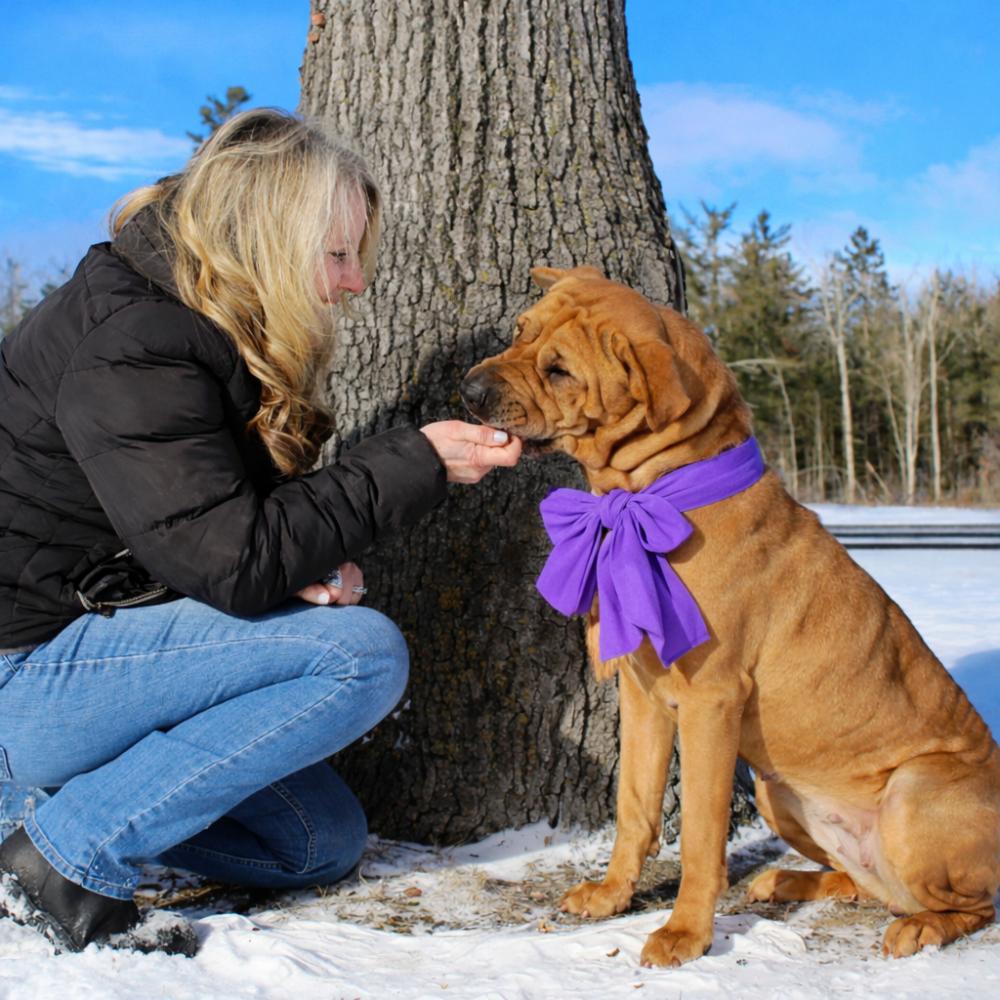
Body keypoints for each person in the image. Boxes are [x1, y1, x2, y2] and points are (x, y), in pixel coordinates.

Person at [0, 108, 521, 955]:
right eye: (338, 254)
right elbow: (228, 560)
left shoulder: (191, 313)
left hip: (88, 649)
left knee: (315, 844)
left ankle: (34, 805)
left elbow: (192, 527)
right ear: (267, 241)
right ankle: (64, 854)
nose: (354, 283)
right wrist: (413, 463)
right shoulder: (135, 341)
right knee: (360, 652)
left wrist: (294, 569)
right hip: (23, 676)